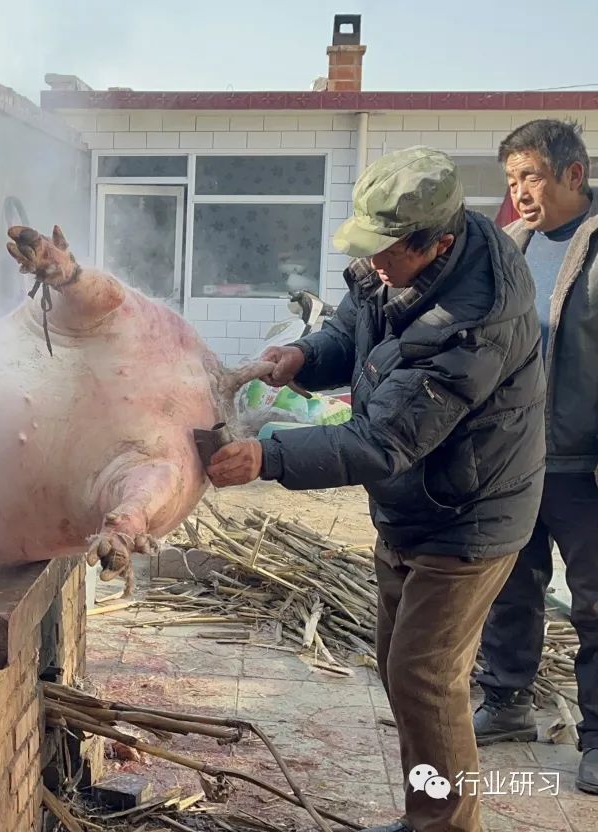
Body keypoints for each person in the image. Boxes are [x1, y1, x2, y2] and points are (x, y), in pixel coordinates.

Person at [207, 147, 545, 832]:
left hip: (469, 514)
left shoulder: (471, 326)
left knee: (424, 677)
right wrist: (306, 355)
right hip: (413, 504)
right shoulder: (397, 264)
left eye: (387, 251)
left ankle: (444, 826)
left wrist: (268, 457)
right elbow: (355, 329)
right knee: (402, 670)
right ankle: (431, 815)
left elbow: (381, 441)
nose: (376, 263)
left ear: (437, 243)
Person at [473, 119, 598, 794]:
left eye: (532, 176)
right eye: (512, 179)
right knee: (511, 586)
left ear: (573, 174)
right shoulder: (510, 245)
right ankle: (507, 702)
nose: (519, 192)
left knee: (595, 604)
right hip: (516, 459)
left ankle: (597, 738)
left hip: (584, 464)